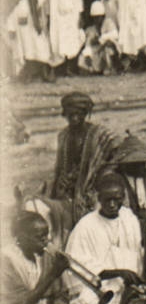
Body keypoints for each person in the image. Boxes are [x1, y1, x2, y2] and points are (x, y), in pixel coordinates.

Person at [64, 172, 146, 304]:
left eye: (117, 199)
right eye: (107, 200)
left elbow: (138, 252)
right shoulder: (85, 227)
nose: (112, 205)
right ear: (99, 198)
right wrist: (118, 273)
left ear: (123, 197)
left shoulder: (129, 218)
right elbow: (78, 267)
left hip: (134, 282)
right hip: (101, 288)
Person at [51, 91, 123, 219]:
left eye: (78, 114)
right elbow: (59, 167)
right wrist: (61, 180)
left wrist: (100, 173)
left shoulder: (100, 134)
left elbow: (118, 150)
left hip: (93, 187)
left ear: (85, 114)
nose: (74, 118)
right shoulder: (63, 136)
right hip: (68, 188)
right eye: (70, 115)